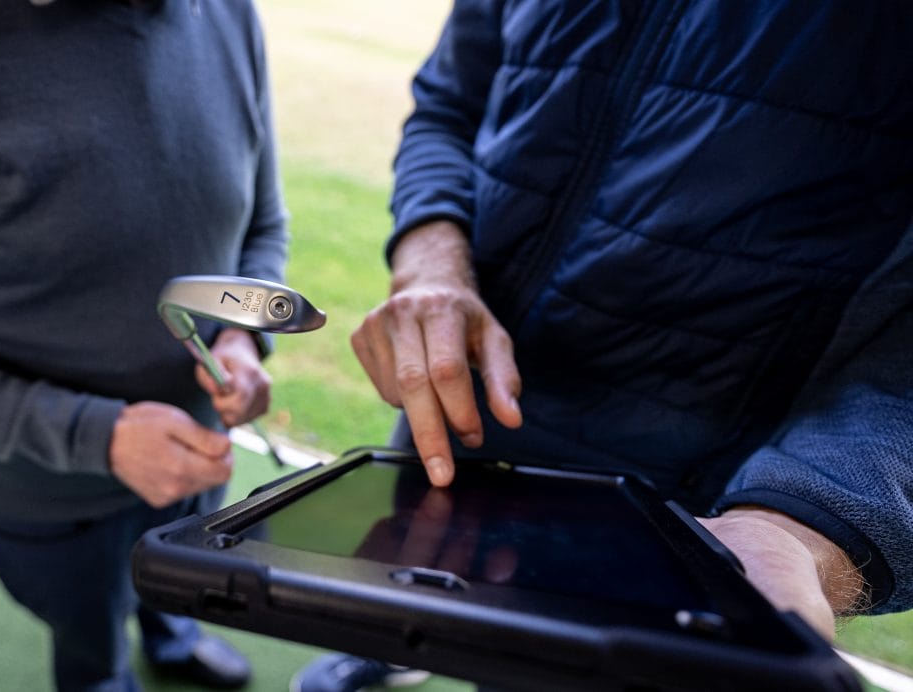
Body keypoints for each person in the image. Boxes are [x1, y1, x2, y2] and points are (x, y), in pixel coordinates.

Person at [292, 2, 913, 690]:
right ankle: (395, 646)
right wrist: (430, 261)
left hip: (687, 508)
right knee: (409, 584)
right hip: (464, 414)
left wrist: (800, 526)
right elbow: (448, 103)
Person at [0, 0, 288, 689]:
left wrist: (241, 338)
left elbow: (262, 221)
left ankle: (171, 637)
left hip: (201, 455)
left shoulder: (228, 11)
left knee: (179, 586)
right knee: (89, 643)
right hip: (47, 497)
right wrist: (96, 436)